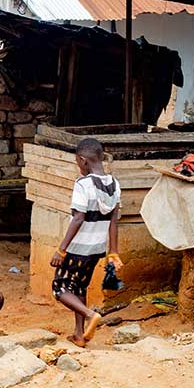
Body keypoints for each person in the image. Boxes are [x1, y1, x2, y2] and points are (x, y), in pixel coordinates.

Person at [50, 137, 123, 348]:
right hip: (97, 248)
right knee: (80, 287)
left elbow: (78, 217)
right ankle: (79, 334)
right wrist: (113, 252)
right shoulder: (114, 184)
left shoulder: (83, 184)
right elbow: (113, 221)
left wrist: (61, 250)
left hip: (77, 249)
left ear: (82, 160)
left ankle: (91, 314)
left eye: (77, 163)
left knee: (60, 288)